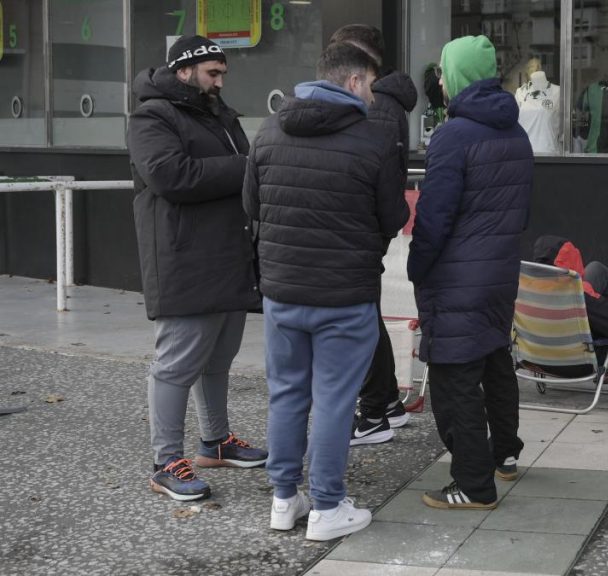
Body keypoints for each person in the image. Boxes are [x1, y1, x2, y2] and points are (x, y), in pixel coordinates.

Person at [243, 43, 407, 539]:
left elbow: (251, 204)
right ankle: (328, 507)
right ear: (354, 82)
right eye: (372, 87)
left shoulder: (268, 130)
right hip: (345, 295)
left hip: (282, 293)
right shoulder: (372, 140)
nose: (375, 99)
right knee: (335, 399)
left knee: (287, 394)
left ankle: (283, 499)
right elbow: (393, 217)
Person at [128, 35, 267, 502]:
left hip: (228, 254)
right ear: (184, 70)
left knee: (218, 358)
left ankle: (216, 442)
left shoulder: (218, 114)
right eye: (213, 73)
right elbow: (171, 176)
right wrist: (243, 167)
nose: (221, 81)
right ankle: (165, 461)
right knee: (176, 364)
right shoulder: (152, 115)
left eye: (223, 73)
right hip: (184, 258)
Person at [408, 35, 531, 510]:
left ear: (456, 77)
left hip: (456, 275)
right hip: (499, 272)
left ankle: (473, 484)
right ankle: (505, 455)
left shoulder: (452, 135)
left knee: (454, 375)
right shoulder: (514, 133)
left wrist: (417, 266)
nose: (438, 82)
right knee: (495, 361)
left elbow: (434, 217)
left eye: (442, 73)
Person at [328, 25, 418, 447]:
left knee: (362, 319)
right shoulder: (386, 103)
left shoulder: (377, 105)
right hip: (368, 225)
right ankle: (387, 405)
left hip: (361, 227)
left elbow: (372, 173)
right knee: (368, 316)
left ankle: (375, 409)